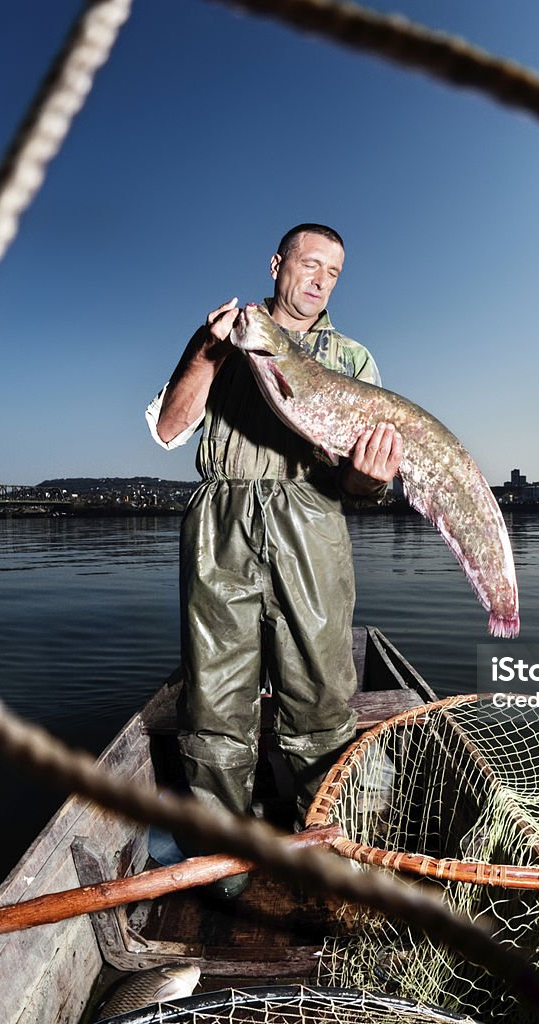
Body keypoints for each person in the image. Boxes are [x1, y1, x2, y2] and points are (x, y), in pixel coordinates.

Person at [146, 224, 402, 888]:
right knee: (214, 701)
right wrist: (205, 352)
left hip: (309, 515)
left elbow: (358, 483)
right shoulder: (226, 337)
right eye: (308, 263)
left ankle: (323, 839)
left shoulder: (353, 360)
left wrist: (370, 479)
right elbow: (171, 429)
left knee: (320, 695)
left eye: (333, 272)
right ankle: (219, 857)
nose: (319, 279)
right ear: (276, 265)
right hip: (219, 520)